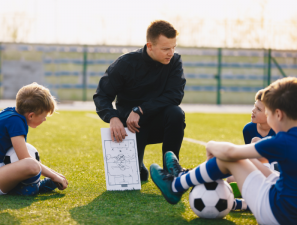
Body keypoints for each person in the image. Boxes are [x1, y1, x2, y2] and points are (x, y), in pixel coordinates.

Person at [150, 77, 297, 224]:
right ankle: (189, 178)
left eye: (269, 114)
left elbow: (230, 153)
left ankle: (176, 186)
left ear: (278, 114)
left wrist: (211, 145)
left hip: (279, 214)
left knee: (231, 159)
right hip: (285, 198)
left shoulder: (284, 140)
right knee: (253, 161)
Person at [93, 20, 186, 181]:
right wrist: (112, 117)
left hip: (159, 124)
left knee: (176, 113)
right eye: (165, 49)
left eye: (173, 47)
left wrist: (140, 109)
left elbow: (175, 95)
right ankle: (139, 165)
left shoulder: (174, 62)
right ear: (150, 46)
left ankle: (171, 171)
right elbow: (102, 95)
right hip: (131, 128)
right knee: (134, 177)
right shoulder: (124, 64)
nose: (171, 53)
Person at [0, 82, 68, 196]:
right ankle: (33, 187)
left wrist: (55, 174)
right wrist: (54, 176)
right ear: (31, 115)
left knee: (29, 157)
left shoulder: (10, 112)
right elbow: (25, 159)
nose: (44, 120)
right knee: (31, 165)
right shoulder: (16, 121)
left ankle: (33, 184)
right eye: (44, 116)